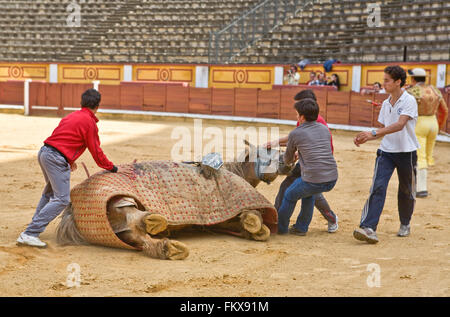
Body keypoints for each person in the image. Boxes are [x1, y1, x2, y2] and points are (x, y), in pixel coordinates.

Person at [17, 89, 131, 248]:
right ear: (97, 106)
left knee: (50, 193)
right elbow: (96, 152)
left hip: (44, 153)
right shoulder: (89, 123)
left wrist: (69, 159)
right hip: (56, 159)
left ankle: (33, 228)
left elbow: (60, 137)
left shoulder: (72, 116)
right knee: (62, 199)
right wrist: (112, 167)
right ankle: (30, 233)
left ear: (82, 103)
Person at [353, 66, 419, 244]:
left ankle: (405, 222)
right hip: (386, 152)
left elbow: (399, 125)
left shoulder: (409, 100)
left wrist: (373, 133)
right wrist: (368, 137)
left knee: (406, 190)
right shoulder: (386, 102)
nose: (384, 84)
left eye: (387, 80)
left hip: (407, 152)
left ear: (398, 82)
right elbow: (383, 131)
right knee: (377, 187)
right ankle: (368, 227)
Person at [265, 89, 338, 233]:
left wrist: (289, 155)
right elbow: (308, 142)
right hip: (332, 174)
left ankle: (280, 227)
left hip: (313, 172)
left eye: (297, 112)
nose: (296, 115)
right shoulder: (323, 127)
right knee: (307, 193)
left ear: (302, 116)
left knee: (291, 193)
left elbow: (289, 156)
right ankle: (301, 227)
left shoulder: (297, 131)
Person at [407, 68, 448, 198]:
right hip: (433, 123)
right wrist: (439, 126)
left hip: (419, 123)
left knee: (420, 156)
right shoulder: (435, 90)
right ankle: (419, 184)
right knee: (427, 155)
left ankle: (421, 188)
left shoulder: (411, 91)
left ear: (413, 79)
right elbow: (444, 110)